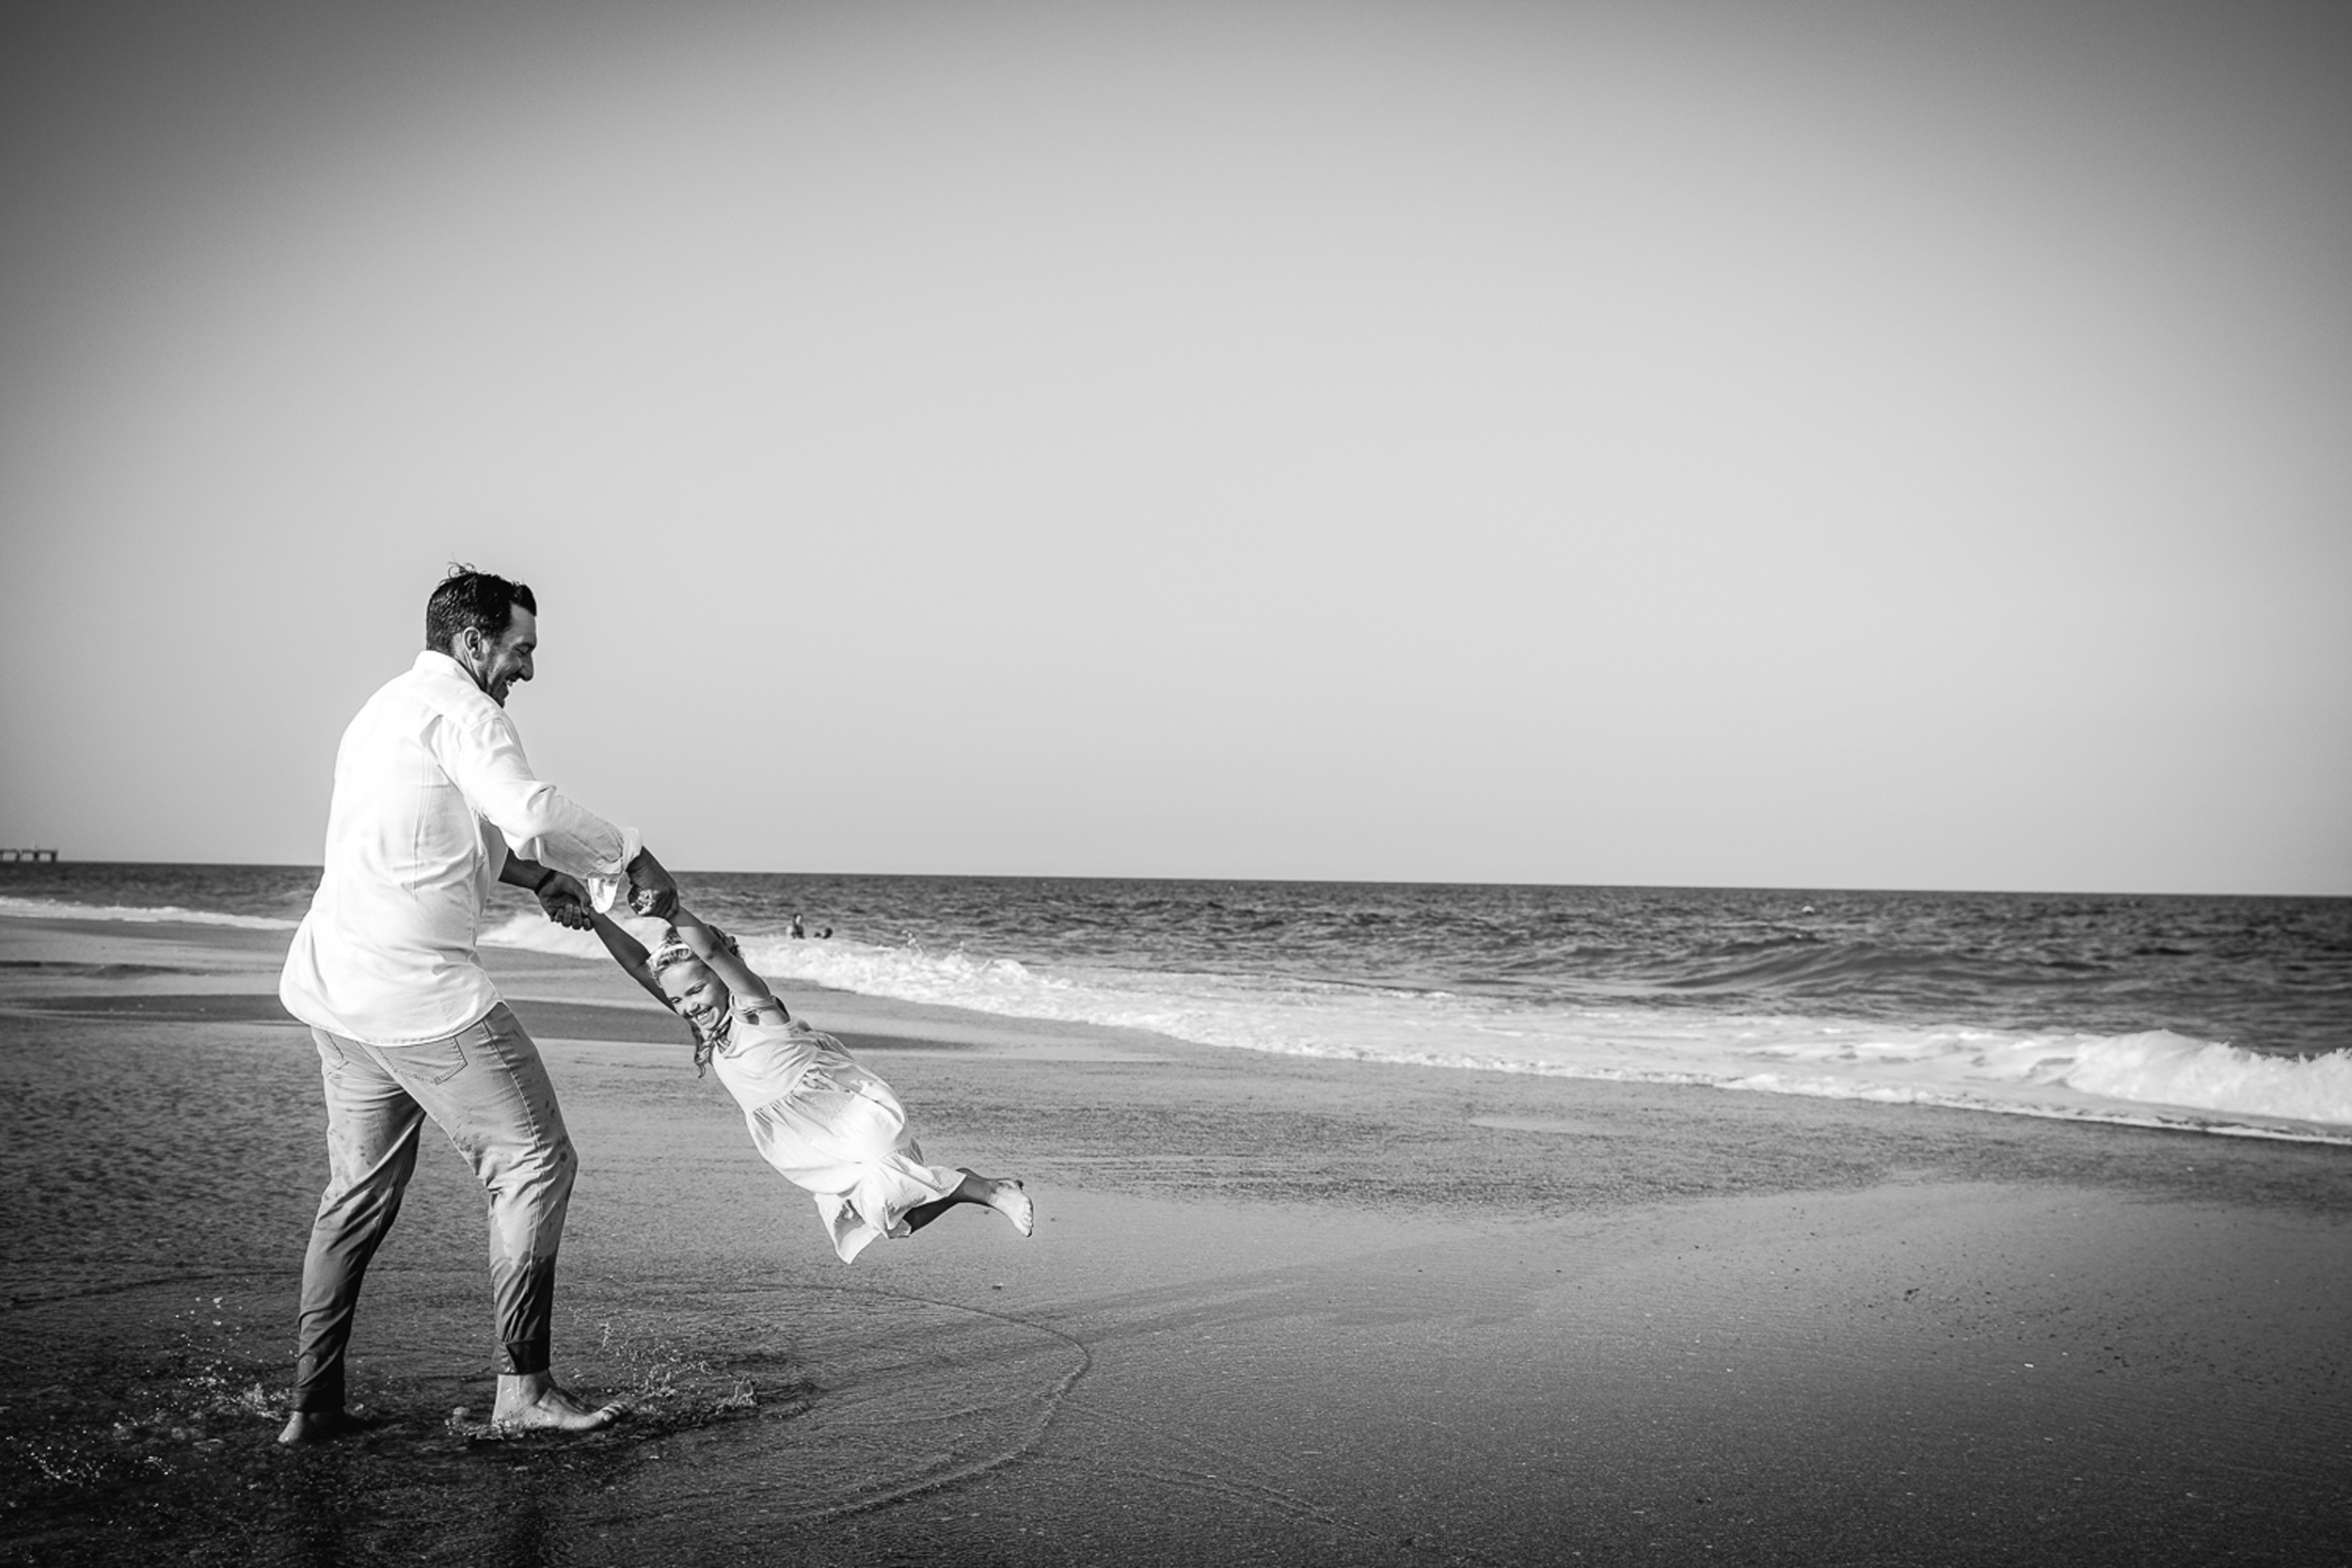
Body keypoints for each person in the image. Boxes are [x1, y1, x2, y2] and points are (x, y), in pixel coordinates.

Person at [276, 567, 680, 1444]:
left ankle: (312, 1405)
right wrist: (630, 855)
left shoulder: (380, 710)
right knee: (536, 1161)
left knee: (355, 1196)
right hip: (419, 996)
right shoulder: (468, 711)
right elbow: (524, 806)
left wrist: (535, 877)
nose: (527, 668)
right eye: (520, 649)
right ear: (472, 642)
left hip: (335, 987)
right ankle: (523, 1390)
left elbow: (437, 831)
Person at [588, 904, 1031, 1260]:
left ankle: (990, 1191)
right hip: (809, 1141)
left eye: (697, 991)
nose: (689, 1006)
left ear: (722, 978)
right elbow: (638, 965)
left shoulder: (754, 1009)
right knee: (887, 1220)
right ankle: (966, 1184)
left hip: (846, 1111)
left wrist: (671, 910)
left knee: (889, 1191)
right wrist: (594, 914)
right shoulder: (709, 1030)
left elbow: (714, 953)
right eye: (677, 999)